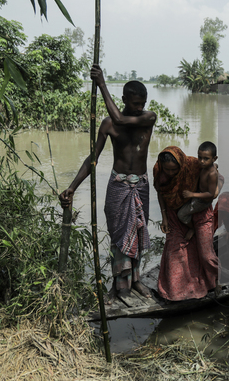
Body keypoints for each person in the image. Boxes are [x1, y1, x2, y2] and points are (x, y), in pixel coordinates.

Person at [59, 65, 155, 303]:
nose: (140, 107)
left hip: (140, 184)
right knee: (119, 235)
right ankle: (117, 284)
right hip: (118, 186)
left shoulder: (148, 118)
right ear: (123, 99)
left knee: (138, 232)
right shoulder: (108, 125)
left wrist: (102, 83)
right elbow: (93, 159)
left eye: (142, 103)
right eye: (135, 103)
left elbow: (121, 118)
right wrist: (72, 186)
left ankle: (136, 280)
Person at [154, 146, 221, 301]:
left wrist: (212, 191)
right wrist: (164, 217)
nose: (170, 173)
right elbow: (161, 193)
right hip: (174, 215)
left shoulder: (193, 165)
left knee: (205, 254)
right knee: (174, 252)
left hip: (200, 213)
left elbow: (215, 177)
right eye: (167, 170)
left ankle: (218, 278)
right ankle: (175, 293)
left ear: (181, 165)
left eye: (174, 170)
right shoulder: (158, 171)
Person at [179, 141, 219, 241]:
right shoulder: (205, 167)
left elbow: (210, 194)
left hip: (203, 201)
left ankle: (192, 229)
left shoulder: (212, 174)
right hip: (199, 193)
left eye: (206, 159)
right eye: (200, 157)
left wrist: (192, 194)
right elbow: (214, 165)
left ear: (214, 159)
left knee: (181, 214)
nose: (201, 161)